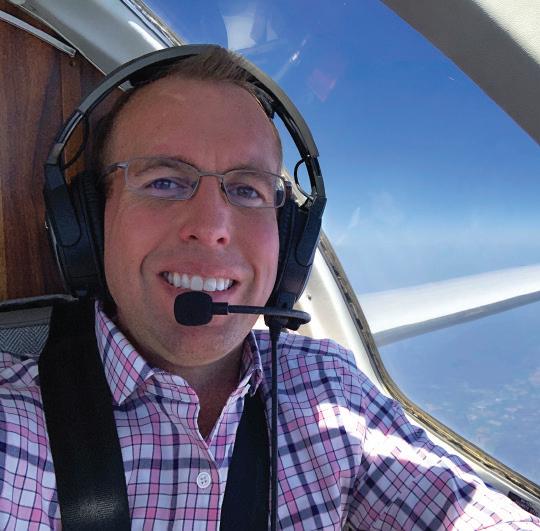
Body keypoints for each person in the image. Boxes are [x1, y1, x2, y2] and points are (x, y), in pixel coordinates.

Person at [0, 45, 539, 530]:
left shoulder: (331, 391)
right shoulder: (17, 422)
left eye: (246, 190)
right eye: (164, 181)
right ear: (87, 224)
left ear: (291, 241)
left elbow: (460, 508)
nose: (212, 225)